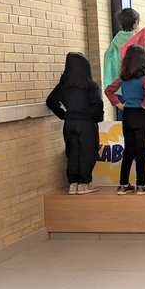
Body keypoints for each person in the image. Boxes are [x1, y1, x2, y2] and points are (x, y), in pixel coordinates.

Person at [46, 53, 104, 195]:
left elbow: (51, 101)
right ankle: (84, 184)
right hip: (86, 123)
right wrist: (95, 118)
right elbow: (97, 105)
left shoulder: (64, 85)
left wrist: (64, 115)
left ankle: (73, 184)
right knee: (87, 153)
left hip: (70, 122)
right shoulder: (90, 86)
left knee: (72, 153)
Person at [105, 44, 145, 195]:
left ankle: (123, 184)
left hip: (127, 115)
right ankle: (141, 184)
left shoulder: (123, 79)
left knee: (129, 150)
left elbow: (108, 90)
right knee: (141, 150)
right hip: (141, 114)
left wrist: (119, 105)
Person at [103, 8, 139, 120]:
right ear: (135, 24)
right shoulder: (137, 37)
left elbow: (108, 55)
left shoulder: (117, 38)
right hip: (134, 82)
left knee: (121, 111)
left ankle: (121, 135)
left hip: (120, 81)